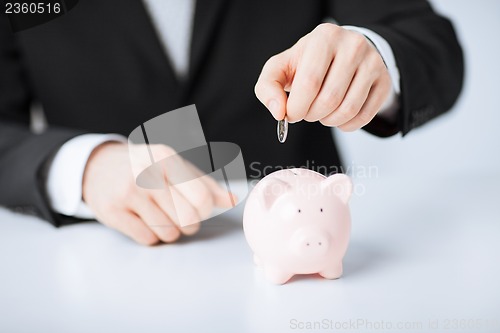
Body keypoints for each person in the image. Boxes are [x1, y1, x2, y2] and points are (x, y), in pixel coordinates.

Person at [0, 0, 463, 245]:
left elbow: (431, 41)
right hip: (100, 254)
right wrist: (83, 167)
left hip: (307, 245)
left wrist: (376, 56)